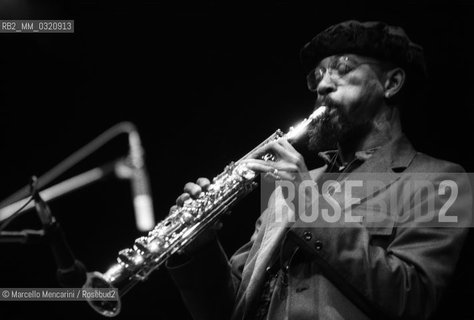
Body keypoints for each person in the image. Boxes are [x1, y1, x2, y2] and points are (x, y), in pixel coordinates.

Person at [166, 20, 472, 320]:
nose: (323, 84)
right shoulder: (292, 183)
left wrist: (308, 205)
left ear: (391, 84)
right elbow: (231, 308)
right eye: (318, 75)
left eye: (342, 69)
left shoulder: (444, 180)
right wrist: (201, 249)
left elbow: (413, 299)